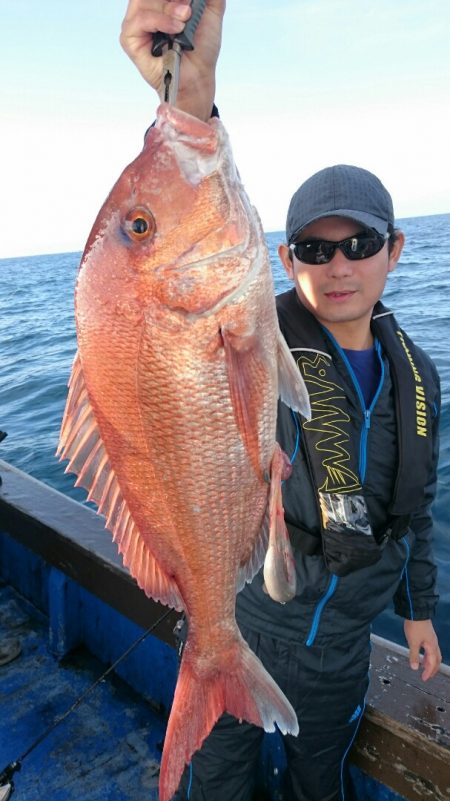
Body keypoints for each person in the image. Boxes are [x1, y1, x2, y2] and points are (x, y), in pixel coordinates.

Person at [120, 3, 442, 800]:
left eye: (360, 244)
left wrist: (419, 610)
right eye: (313, 248)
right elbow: (187, 268)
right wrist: (188, 98)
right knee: (219, 783)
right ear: (280, 257)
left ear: (395, 250)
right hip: (251, 617)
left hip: (345, 640)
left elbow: (417, 506)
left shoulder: (419, 374)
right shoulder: (254, 332)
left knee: (318, 782)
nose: (338, 267)